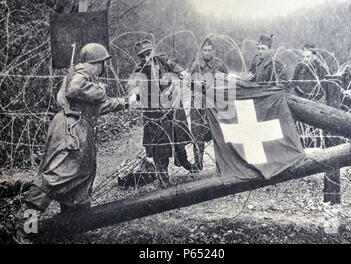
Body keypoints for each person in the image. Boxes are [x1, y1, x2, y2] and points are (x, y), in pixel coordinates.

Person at [22, 43, 129, 216]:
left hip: (77, 127)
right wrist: (101, 90)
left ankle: (73, 225)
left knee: (82, 174)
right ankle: (24, 226)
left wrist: (125, 102)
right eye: (104, 63)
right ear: (98, 62)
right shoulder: (83, 73)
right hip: (72, 130)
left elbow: (99, 106)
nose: (105, 67)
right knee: (57, 175)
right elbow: (75, 89)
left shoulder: (84, 76)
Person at [132, 39, 195, 185]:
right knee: (160, 145)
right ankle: (163, 176)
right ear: (139, 58)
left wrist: (182, 72)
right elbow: (135, 88)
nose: (146, 58)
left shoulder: (162, 60)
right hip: (154, 113)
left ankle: (184, 162)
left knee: (179, 136)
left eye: (148, 54)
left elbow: (174, 66)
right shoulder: (139, 71)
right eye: (142, 56)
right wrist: (135, 95)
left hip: (172, 107)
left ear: (153, 51)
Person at [190, 37, 228, 170]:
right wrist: (195, 83)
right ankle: (198, 164)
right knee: (197, 134)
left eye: (209, 50)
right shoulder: (196, 66)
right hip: (198, 106)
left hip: (215, 105)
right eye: (204, 50)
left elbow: (227, 84)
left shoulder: (219, 65)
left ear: (213, 51)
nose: (207, 53)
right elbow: (188, 85)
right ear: (201, 51)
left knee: (218, 134)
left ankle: (221, 164)